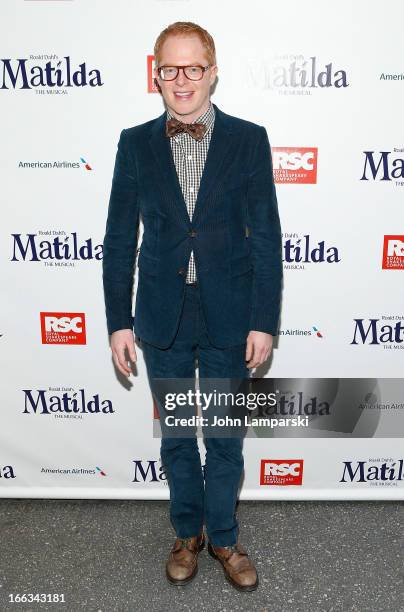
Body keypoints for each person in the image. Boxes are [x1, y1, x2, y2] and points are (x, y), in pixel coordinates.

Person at [102, 21, 283, 592]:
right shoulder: (134, 143)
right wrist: (118, 322)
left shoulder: (248, 139)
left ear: (213, 71)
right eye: (170, 69)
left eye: (193, 68)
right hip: (162, 314)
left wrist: (263, 319)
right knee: (179, 434)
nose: (183, 81)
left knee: (225, 437)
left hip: (230, 312)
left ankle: (224, 536)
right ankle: (187, 532)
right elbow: (116, 239)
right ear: (157, 75)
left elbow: (267, 237)